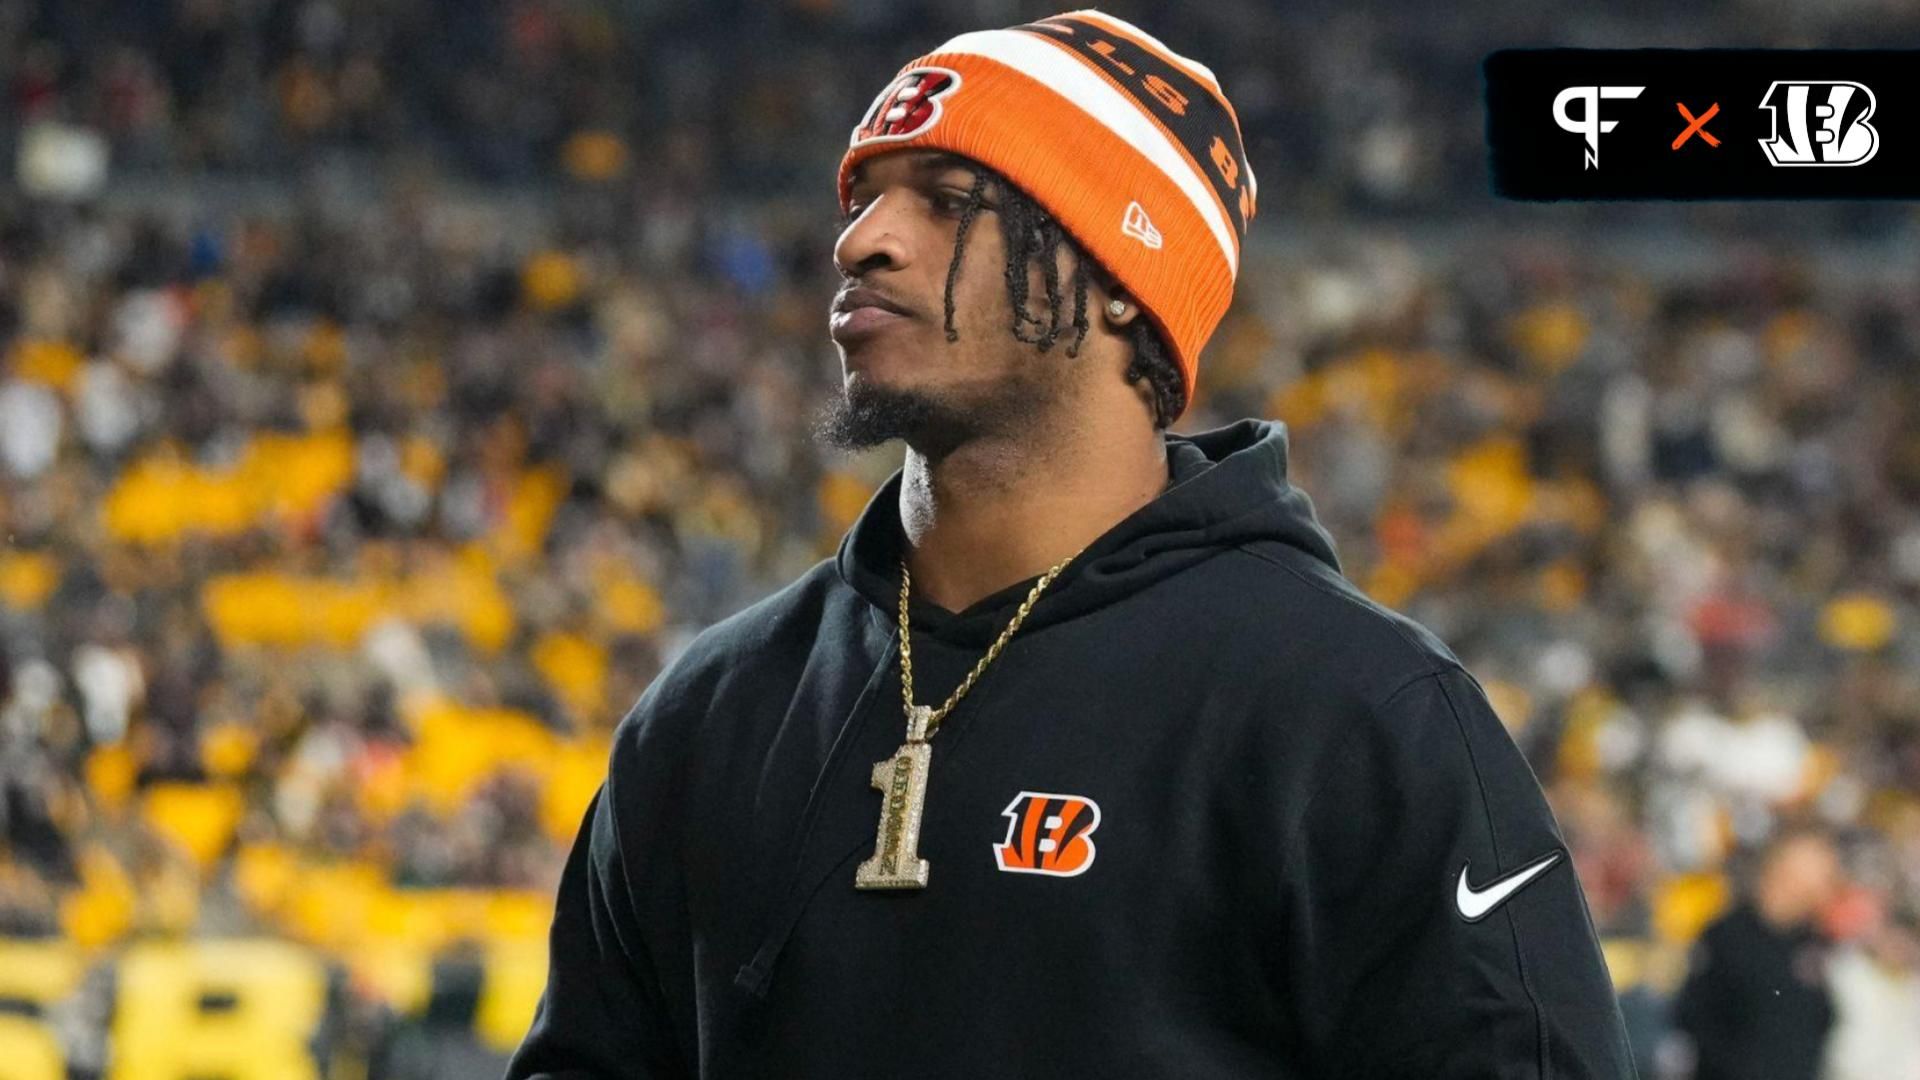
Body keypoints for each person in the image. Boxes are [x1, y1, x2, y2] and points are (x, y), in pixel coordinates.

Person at [507, 10, 1636, 1077]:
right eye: (861, 198)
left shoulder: (1355, 715)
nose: (861, 240)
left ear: (1118, 279)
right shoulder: (713, 708)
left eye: (946, 198)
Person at [1671, 825, 1843, 1080]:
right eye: (1820, 868)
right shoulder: (1726, 935)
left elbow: (1822, 1023)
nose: (1829, 879)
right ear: (1785, 868)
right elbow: (1694, 1018)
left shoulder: (1813, 945)